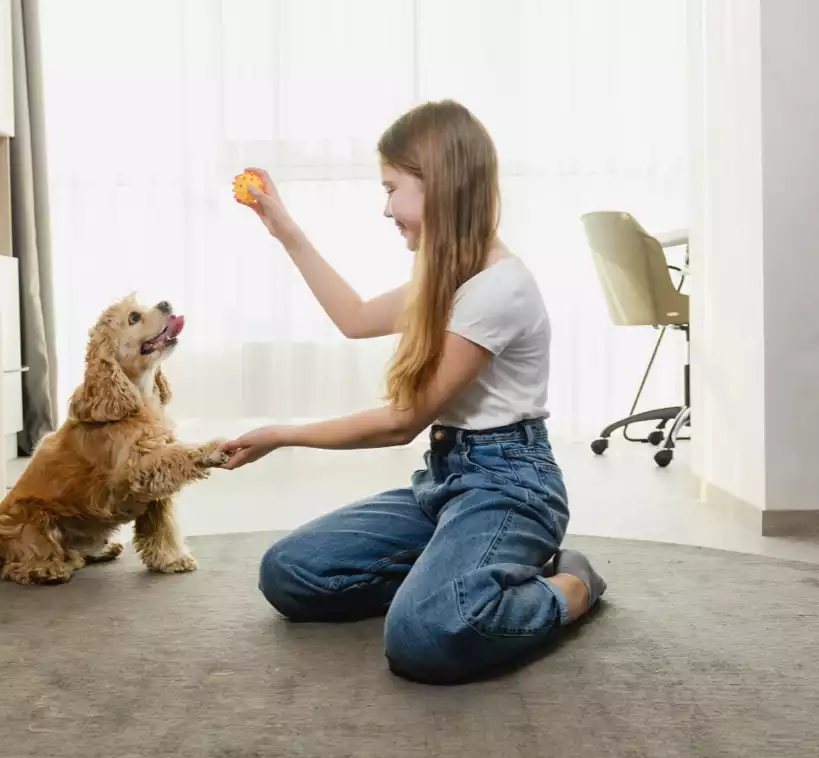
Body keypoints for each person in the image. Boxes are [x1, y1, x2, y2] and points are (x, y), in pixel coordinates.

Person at [221, 99, 606, 685]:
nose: (385, 208)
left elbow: (401, 422)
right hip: (447, 481)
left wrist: (282, 434)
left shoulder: (497, 289)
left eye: (392, 187)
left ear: (440, 185)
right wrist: (287, 231)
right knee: (290, 573)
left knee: (422, 637)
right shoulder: (445, 277)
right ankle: (458, 577)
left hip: (511, 487)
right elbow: (352, 317)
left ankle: (569, 586)